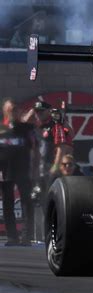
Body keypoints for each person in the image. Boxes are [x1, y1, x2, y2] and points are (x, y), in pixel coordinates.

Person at [0, 98, 35, 246]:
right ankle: (12, 237)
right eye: (10, 109)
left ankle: (26, 237)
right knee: (7, 204)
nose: (13, 111)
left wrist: (35, 169)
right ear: (5, 111)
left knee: (27, 203)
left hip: (24, 170)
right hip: (5, 171)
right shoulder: (1, 129)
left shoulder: (26, 128)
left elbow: (35, 150)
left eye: (15, 109)